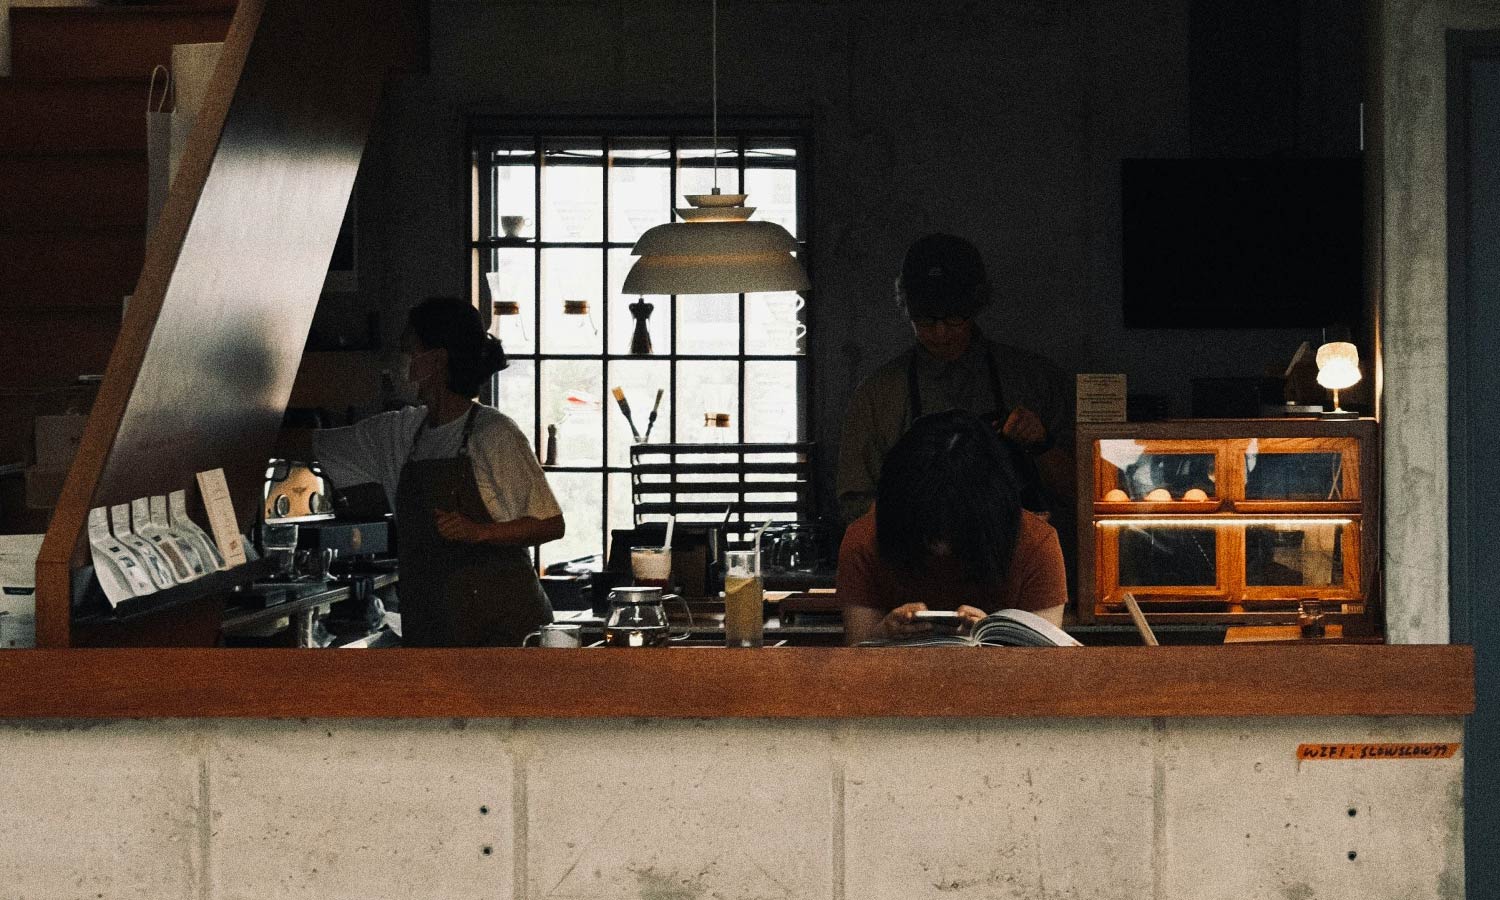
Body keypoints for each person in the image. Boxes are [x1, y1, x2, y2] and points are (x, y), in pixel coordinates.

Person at [314, 296, 565, 647]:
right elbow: (309, 445)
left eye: (408, 350)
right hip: (434, 633)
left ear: (435, 360)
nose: (400, 360)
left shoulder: (494, 432)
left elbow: (552, 523)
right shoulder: (403, 433)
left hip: (506, 636)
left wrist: (479, 533)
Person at [836, 233, 1075, 533]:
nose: (939, 333)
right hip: (915, 569)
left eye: (953, 319)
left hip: (1017, 564)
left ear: (976, 307)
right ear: (906, 308)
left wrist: (1042, 444)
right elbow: (854, 505)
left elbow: (1081, 494)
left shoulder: (1035, 381)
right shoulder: (878, 396)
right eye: (924, 320)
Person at [838, 410, 1068, 645]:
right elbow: (857, 660)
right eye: (926, 526)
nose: (941, 545)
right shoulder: (865, 540)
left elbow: (1045, 669)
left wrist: (995, 639)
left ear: (993, 511)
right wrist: (881, 636)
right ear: (896, 508)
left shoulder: (1036, 544)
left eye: (958, 526)